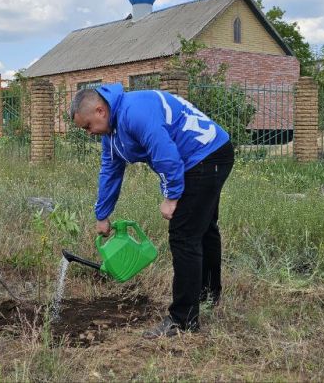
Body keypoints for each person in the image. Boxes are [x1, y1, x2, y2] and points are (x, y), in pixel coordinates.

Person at [70, 83, 234, 338]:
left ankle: (183, 320)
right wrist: (102, 215)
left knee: (184, 235)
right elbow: (110, 171)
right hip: (205, 155)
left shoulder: (134, 112)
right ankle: (206, 296)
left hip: (206, 155)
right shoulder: (111, 133)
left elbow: (166, 154)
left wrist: (171, 196)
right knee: (203, 229)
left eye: (87, 126)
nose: (88, 132)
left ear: (100, 111)